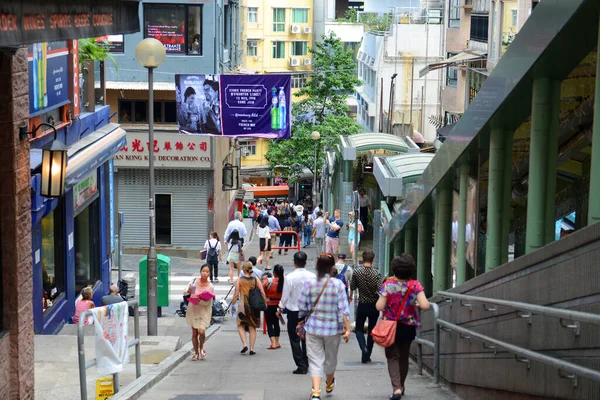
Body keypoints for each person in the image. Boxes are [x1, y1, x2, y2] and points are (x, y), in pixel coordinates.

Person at [376, 254, 430, 399]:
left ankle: (396, 389)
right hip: (408, 326)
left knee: (392, 356)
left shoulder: (388, 285)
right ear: (411, 270)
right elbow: (425, 305)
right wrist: (415, 304)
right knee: (404, 356)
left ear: (394, 269)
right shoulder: (415, 285)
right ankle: (402, 385)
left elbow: (379, 306)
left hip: (390, 326)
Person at [299, 254, 351, 400]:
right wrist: (347, 329)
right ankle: (329, 383)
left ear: (317, 267)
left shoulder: (309, 284)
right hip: (333, 328)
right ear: (332, 267)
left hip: (313, 328)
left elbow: (302, 307)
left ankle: (316, 392)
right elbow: (343, 309)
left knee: (315, 359)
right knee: (331, 358)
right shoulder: (338, 285)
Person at [277, 251, 316, 374]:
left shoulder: (289, 277)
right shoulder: (313, 276)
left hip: (294, 311)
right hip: (308, 312)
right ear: (305, 262)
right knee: (307, 337)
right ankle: (307, 361)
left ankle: (301, 365)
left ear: (294, 263)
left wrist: (280, 308)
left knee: (294, 338)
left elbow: (285, 296)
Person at [349, 250, 381, 363]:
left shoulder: (357, 272)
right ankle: (366, 356)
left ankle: (364, 348)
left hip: (362, 304)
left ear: (362, 260)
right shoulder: (376, 274)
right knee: (372, 330)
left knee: (358, 329)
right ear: (373, 260)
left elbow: (352, 286)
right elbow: (379, 290)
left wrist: (351, 295)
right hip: (374, 305)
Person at [231, 262, 267, 355]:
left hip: (242, 306)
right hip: (254, 306)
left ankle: (244, 344)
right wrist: (264, 302)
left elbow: (236, 294)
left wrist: (232, 304)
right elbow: (262, 293)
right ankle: (252, 348)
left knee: (240, 325)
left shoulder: (239, 280)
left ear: (243, 270)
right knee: (252, 327)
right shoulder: (256, 280)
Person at [184, 264, 214, 360]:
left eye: (207, 272)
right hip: (193, 309)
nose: (205, 273)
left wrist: (199, 299)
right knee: (194, 332)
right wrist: (188, 291)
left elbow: (207, 303)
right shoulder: (193, 282)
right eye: (203, 271)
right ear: (200, 271)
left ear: (209, 273)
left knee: (201, 331)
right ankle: (196, 352)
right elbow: (186, 293)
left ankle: (201, 348)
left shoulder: (210, 286)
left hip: (204, 311)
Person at [263, 264, 284, 349]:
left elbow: (261, 290)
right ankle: (277, 341)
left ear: (274, 272)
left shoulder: (268, 281)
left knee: (269, 323)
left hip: (268, 305)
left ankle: (273, 343)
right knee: (276, 323)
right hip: (279, 306)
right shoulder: (284, 282)